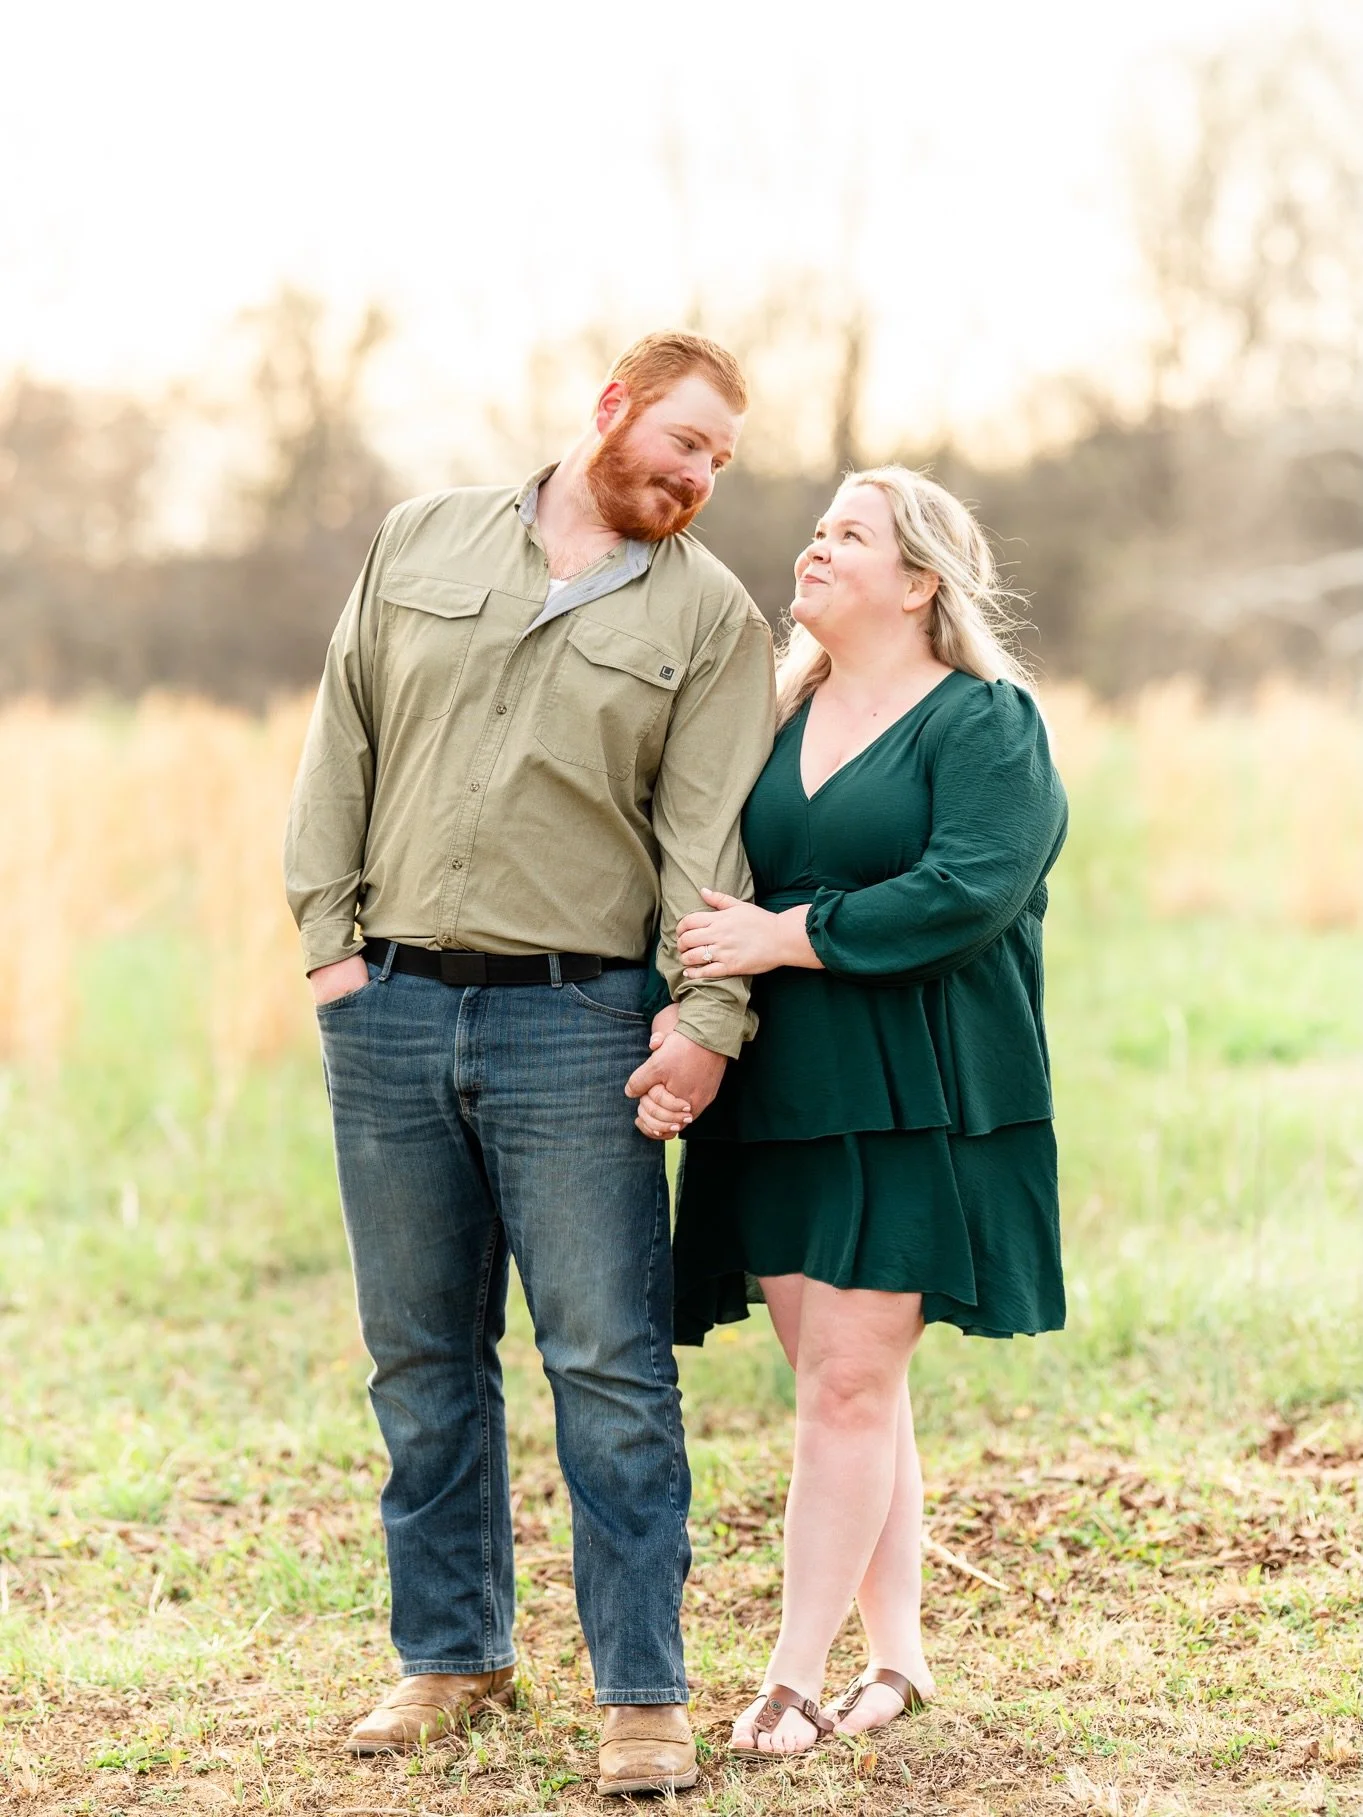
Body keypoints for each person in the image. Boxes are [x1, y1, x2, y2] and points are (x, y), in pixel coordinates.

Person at [283, 331, 776, 1796]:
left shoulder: (712, 620)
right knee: (421, 1360)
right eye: (684, 441)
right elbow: (341, 747)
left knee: (607, 1367)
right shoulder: (419, 538)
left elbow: (706, 851)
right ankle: (451, 1659)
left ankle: (641, 1693)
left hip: (579, 1026)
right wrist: (331, 953)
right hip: (392, 1014)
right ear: (612, 408)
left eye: (718, 464)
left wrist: (703, 1021)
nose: (696, 478)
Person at [637, 466, 1068, 1758]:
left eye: (849, 536)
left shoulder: (986, 719)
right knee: (844, 1386)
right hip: (782, 1091)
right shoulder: (775, 712)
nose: (812, 550)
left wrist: (786, 934)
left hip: (919, 1087)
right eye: (816, 530)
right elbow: (704, 877)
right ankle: (901, 1660)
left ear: (921, 580)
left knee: (843, 1383)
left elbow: (965, 892)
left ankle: (791, 1676)